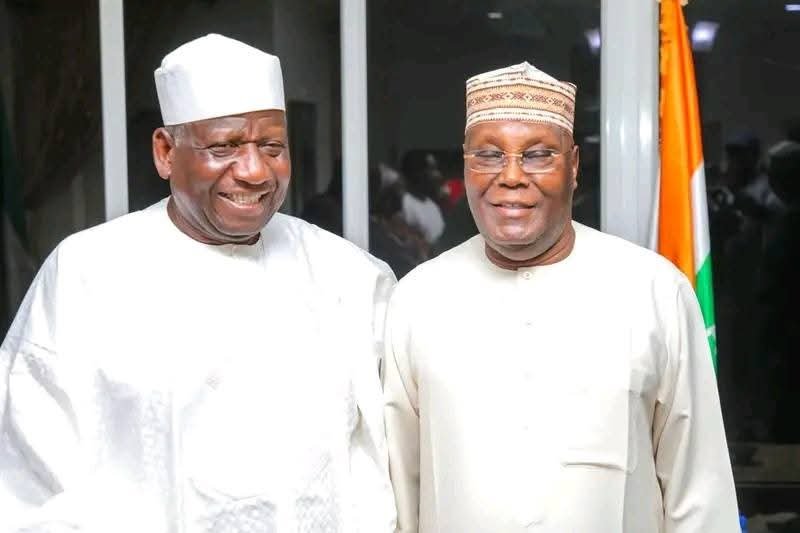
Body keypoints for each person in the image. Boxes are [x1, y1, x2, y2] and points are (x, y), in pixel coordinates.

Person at [0, 34, 396, 532]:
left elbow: (382, 459)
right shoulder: (86, 274)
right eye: (224, 147)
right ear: (166, 152)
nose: (254, 172)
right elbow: (30, 470)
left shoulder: (349, 276)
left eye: (272, 147)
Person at [383, 62, 738, 532]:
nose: (511, 176)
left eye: (537, 155)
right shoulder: (418, 300)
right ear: (465, 164)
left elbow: (699, 491)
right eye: (488, 154)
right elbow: (398, 492)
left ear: (573, 166)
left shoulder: (654, 292)